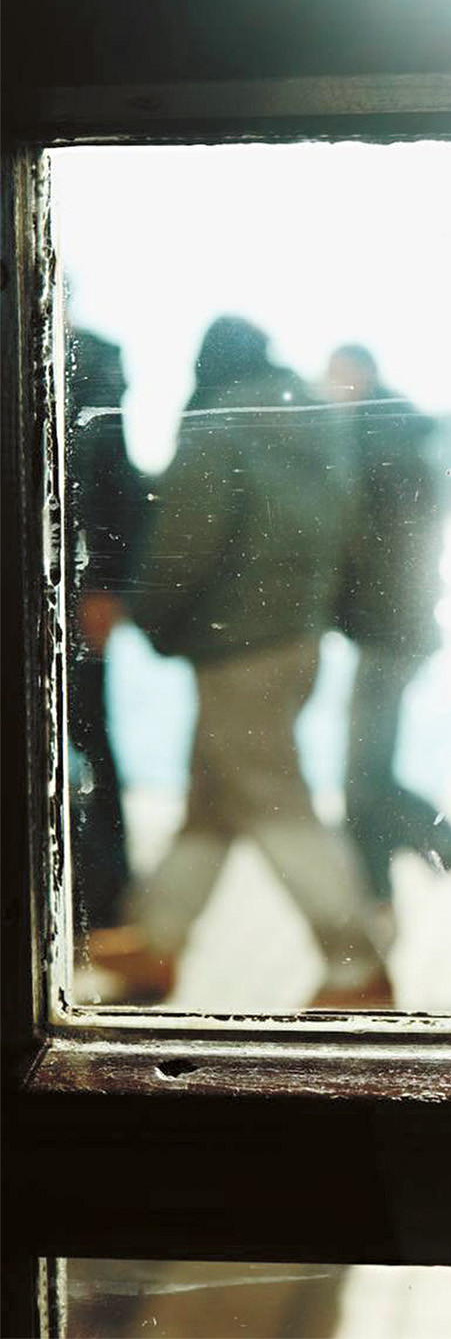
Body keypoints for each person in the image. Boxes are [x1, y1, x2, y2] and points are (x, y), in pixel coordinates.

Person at [124, 317, 390, 1007]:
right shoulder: (320, 424)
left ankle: (356, 966)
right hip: (299, 637)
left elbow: (185, 539)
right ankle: (158, 941)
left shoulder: (217, 425)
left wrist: (149, 617)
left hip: (234, 647)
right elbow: (350, 526)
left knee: (276, 804)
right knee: (213, 802)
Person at [325, 344, 451, 936]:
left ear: (360, 375)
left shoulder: (372, 441)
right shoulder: (397, 438)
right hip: (400, 627)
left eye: (336, 376)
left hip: (386, 629)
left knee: (363, 779)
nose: (330, 389)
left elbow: (366, 542)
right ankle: (389, 897)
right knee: (367, 775)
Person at [65, 328, 151, 981]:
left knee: (90, 735)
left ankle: (106, 901)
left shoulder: (90, 358)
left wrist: (104, 586)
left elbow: (116, 484)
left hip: (73, 589)